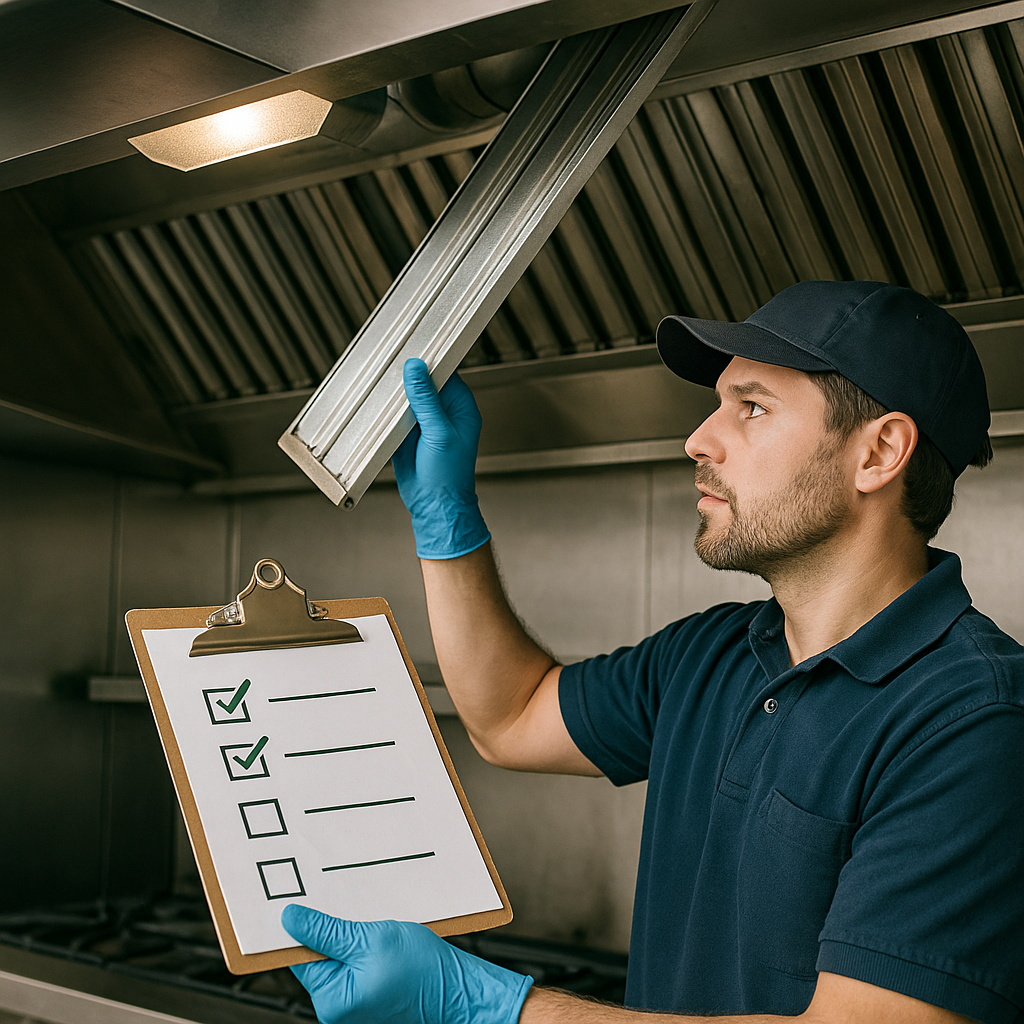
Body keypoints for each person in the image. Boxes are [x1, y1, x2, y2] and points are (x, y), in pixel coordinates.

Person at [282, 280, 1024, 1024]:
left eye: (753, 407)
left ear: (880, 453)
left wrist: (495, 1009)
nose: (699, 439)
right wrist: (449, 522)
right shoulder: (710, 654)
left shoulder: (975, 721)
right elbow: (509, 716)